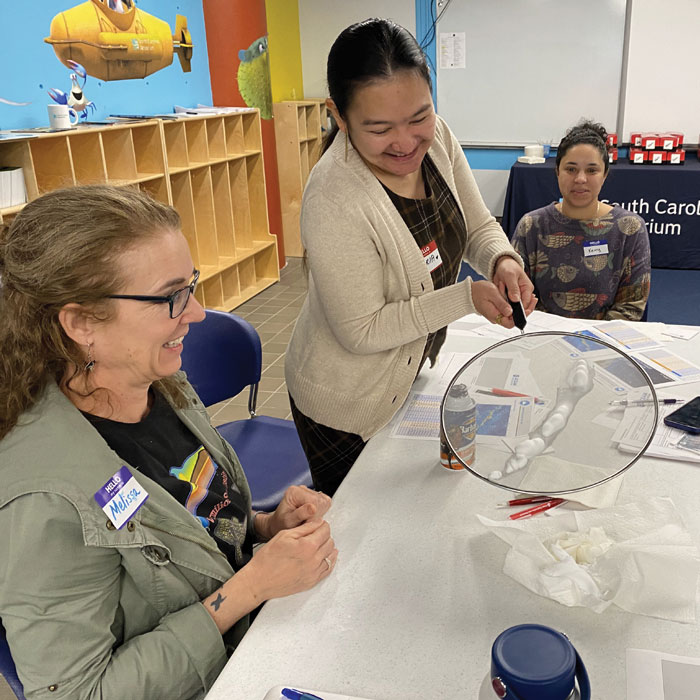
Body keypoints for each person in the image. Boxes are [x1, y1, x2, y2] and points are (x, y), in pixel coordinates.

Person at [0, 185, 337, 700]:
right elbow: (73, 693)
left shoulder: (152, 381)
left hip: (258, 638)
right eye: (170, 296)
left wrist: (265, 526)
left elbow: (187, 527)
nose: (197, 313)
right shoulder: (45, 500)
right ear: (81, 322)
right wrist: (247, 590)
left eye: (191, 285)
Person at [284, 19, 535, 497]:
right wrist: (466, 297)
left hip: (408, 372)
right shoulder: (336, 197)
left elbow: (479, 226)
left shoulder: (438, 138)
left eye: (419, 117)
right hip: (347, 403)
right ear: (339, 116)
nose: (406, 143)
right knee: (360, 534)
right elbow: (362, 331)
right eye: (379, 128)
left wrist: (503, 261)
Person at [511, 120, 651, 320]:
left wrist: (588, 344)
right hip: (541, 339)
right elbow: (517, 297)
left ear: (605, 175)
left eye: (592, 170)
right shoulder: (532, 225)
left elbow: (631, 307)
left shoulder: (629, 228)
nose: (580, 179)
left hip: (606, 343)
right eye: (571, 169)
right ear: (557, 171)